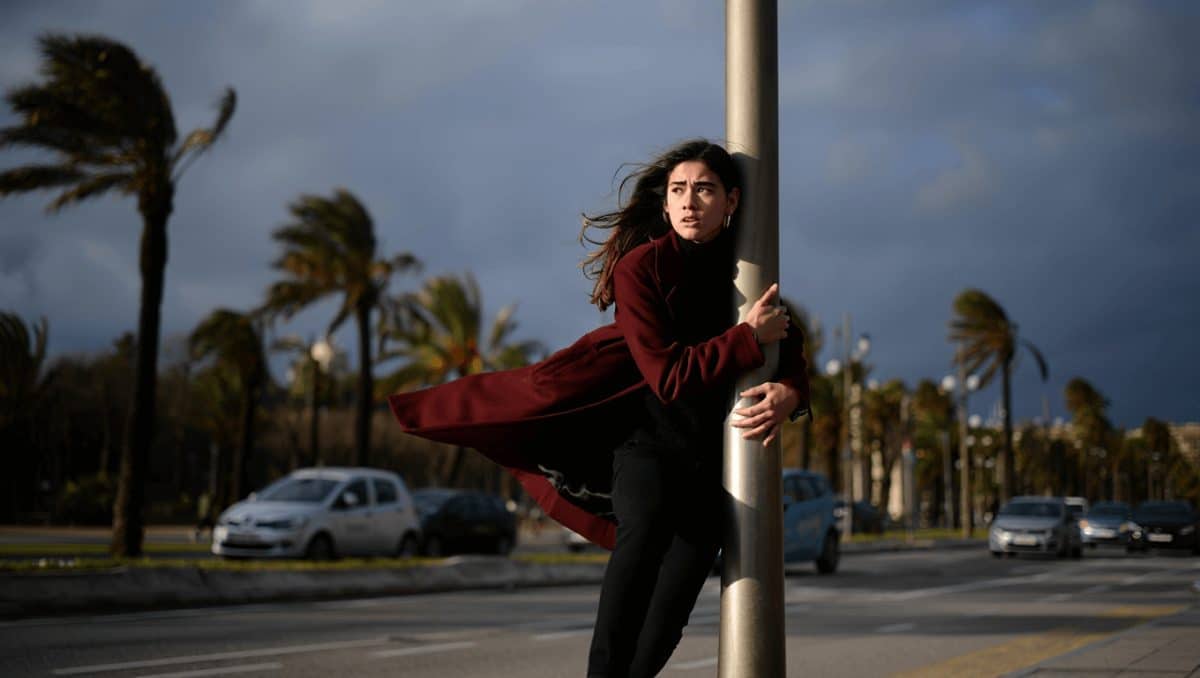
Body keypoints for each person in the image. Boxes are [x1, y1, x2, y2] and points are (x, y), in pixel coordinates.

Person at [387, 139, 809, 677]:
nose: (688, 202)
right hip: (646, 447)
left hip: (711, 470)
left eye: (703, 189)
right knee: (643, 541)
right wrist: (746, 341)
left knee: (665, 623)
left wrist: (791, 391)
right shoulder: (643, 268)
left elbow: (789, 347)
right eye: (678, 190)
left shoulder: (747, 275)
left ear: (730, 201)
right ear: (664, 204)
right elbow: (668, 374)